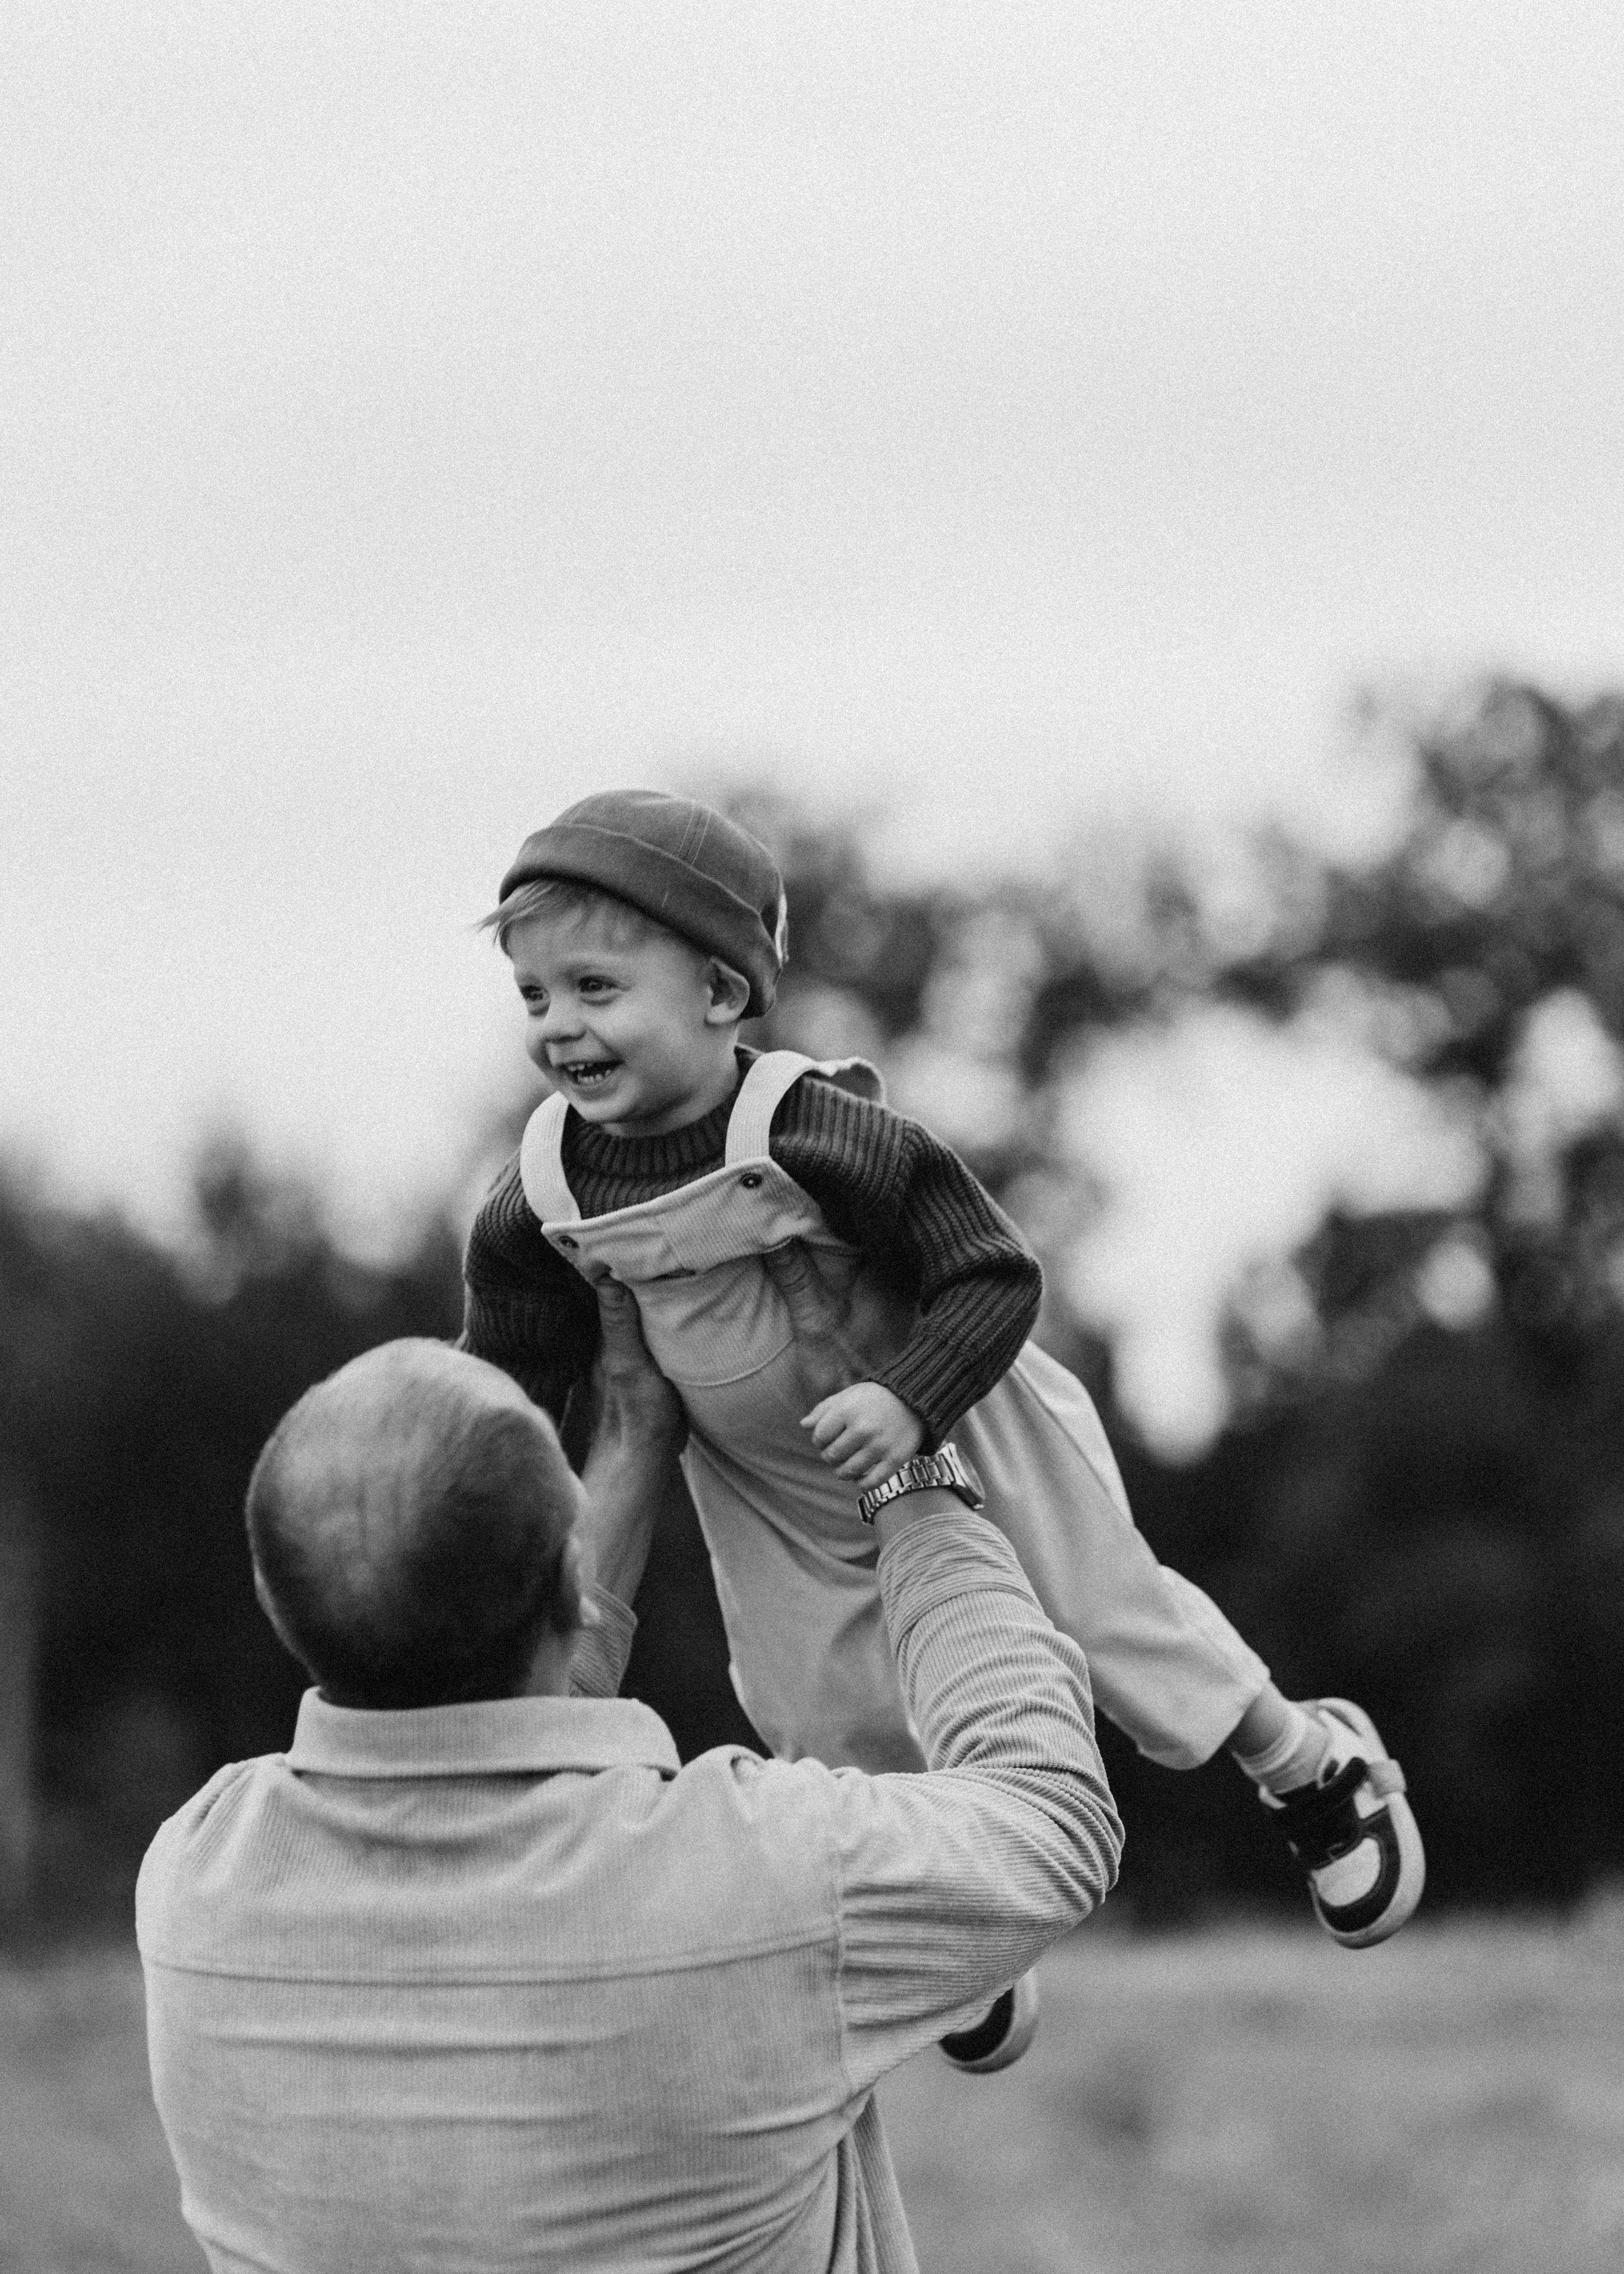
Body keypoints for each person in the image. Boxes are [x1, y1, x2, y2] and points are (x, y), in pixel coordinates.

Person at [461, 790, 1424, 1973]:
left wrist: (911, 1393)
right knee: (814, 1711)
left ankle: (1306, 1760)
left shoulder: (813, 1130)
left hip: (962, 1419)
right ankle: (941, 1931)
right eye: (535, 995)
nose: (560, 1028)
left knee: (1099, 1618)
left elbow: (996, 1271)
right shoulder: (541, 1191)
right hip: (763, 1481)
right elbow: (501, 1396)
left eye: (596, 989)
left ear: (722, 994)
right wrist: (470, 1519)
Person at [137, 1252, 1123, 2274]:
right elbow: (1049, 1817)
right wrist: (910, 1469)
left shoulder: (194, 1879)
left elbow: (494, 1733)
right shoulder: (758, 1879)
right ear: (569, 1574)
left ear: (277, 1598)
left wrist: (637, 1444)